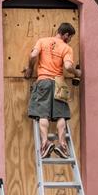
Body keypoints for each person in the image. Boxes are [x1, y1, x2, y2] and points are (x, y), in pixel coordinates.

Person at [24, 22, 81, 159]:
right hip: (59, 83)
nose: (70, 40)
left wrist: (30, 69)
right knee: (61, 115)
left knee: (42, 114)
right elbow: (67, 66)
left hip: (43, 81)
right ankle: (62, 144)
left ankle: (45, 143)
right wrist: (77, 73)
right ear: (66, 35)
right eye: (71, 37)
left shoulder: (42, 41)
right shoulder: (66, 48)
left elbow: (33, 56)